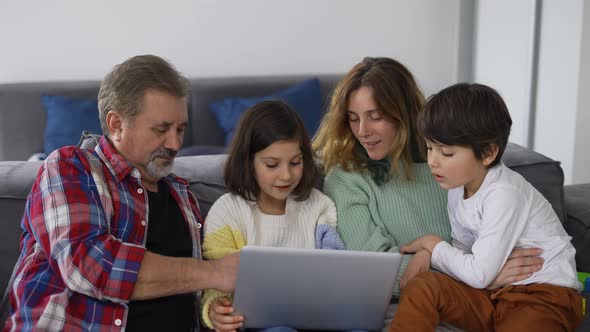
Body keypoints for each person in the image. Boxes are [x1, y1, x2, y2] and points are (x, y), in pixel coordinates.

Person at [3, 54, 239, 331]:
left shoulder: (183, 195)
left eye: (180, 129)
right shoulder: (71, 168)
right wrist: (213, 273)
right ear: (116, 124)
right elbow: (90, 265)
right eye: (161, 129)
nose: (175, 143)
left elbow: (190, 292)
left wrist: (210, 310)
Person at [312, 57, 546, 328]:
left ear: (405, 113)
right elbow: (374, 269)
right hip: (425, 301)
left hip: (484, 297)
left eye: (375, 117)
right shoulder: (347, 177)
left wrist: (433, 255)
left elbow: (487, 238)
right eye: (353, 119)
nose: (362, 131)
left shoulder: (454, 165)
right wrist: (474, 273)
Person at [389, 83, 583, 332]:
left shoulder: (504, 193)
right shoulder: (457, 187)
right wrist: (482, 275)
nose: (432, 161)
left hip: (542, 296)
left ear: (489, 153)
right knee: (423, 286)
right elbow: (466, 259)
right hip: (492, 293)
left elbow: (476, 272)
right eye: (429, 148)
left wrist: (432, 245)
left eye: (446, 153)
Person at [200, 100, 344, 332]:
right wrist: (215, 309)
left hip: (316, 317)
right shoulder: (228, 212)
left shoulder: (319, 206)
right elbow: (217, 282)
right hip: (257, 324)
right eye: (272, 164)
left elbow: (335, 266)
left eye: (295, 163)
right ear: (248, 161)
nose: (286, 175)